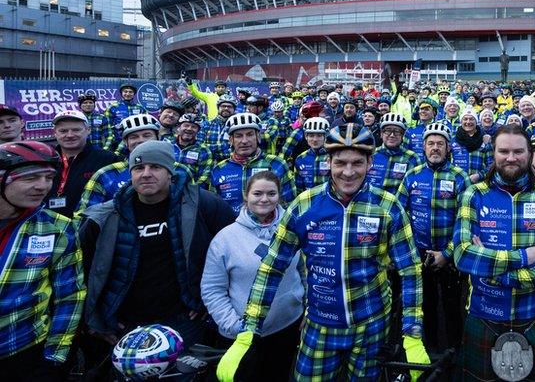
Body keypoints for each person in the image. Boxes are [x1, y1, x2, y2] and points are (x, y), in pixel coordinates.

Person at [216, 124, 430, 381]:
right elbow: (272, 268)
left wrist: (412, 333)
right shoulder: (304, 205)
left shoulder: (388, 206)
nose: (348, 172)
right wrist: (248, 330)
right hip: (320, 324)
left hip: (371, 325)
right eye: (340, 162)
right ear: (328, 162)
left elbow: (409, 270)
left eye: (357, 163)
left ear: (370, 162)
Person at [79, 141, 235, 367]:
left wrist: (207, 302)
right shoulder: (105, 217)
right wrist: (95, 321)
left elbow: (232, 254)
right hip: (125, 324)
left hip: (183, 320)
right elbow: (83, 273)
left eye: (156, 167)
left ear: (170, 172)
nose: (146, 174)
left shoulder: (203, 205)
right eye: (138, 168)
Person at [452, 124, 535, 381]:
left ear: (529, 153)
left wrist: (500, 276)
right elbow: (463, 255)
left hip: (534, 314)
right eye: (504, 151)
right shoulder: (474, 194)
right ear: (493, 153)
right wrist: (524, 257)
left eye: (518, 151)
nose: (511, 158)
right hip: (483, 313)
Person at [201, 171, 303, 382]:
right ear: (246, 195)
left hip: (288, 327)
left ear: (279, 196)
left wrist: (307, 308)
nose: (264, 199)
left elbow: (306, 271)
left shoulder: (294, 230)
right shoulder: (225, 238)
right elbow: (212, 288)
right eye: (257, 193)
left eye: (271, 193)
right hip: (242, 336)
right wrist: (235, 327)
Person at [0, 141, 85, 381]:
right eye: (30, 178)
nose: (43, 186)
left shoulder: (58, 227)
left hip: (23, 351)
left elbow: (70, 295)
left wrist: (54, 358)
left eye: (48, 177)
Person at [395, 121, 469, 353]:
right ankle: (431, 350)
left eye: (440, 144)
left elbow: (465, 221)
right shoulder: (412, 176)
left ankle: (455, 353)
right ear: (424, 147)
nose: (435, 148)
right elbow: (398, 215)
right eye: (430, 144)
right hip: (419, 255)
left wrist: (447, 254)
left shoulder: (460, 177)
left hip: (451, 257)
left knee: (452, 308)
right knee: (425, 306)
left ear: (448, 149)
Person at [78, 113, 178, 212]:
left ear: (158, 138)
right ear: (126, 142)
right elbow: (85, 216)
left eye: (147, 135)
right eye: (133, 137)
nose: (141, 140)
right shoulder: (105, 174)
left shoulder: (180, 170)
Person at [209, 113, 296, 211]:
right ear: (231, 140)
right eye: (238, 136)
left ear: (258, 137)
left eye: (250, 134)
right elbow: (214, 210)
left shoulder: (276, 164)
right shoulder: (219, 169)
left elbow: (290, 207)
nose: (244, 141)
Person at [48, 110, 117, 217]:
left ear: (88, 130)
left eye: (76, 130)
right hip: (48, 225)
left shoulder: (107, 159)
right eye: (63, 131)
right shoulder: (46, 160)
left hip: (89, 226)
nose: (70, 135)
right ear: (55, 133)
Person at [366, 112, 422, 194]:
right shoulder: (370, 154)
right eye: (387, 130)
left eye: (397, 131)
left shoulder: (412, 158)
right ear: (381, 134)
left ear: (403, 135)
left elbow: (416, 190)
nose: (392, 135)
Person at [170, 113, 213, 185]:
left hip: (188, 191)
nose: (189, 129)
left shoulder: (204, 151)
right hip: (164, 188)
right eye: (186, 125)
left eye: (193, 127)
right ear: (179, 127)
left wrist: (191, 190)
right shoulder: (167, 144)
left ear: (198, 131)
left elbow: (204, 177)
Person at [451, 109, 491, 183]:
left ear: (476, 122)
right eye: (465, 119)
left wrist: (479, 175)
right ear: (461, 122)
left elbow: (491, 165)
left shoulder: (485, 140)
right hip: (457, 183)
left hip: (479, 184)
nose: (468, 122)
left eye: (471, 119)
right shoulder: (453, 140)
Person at [104, 83, 146, 151]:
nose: (128, 94)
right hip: (117, 143)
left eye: (130, 92)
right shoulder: (112, 107)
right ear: (121, 93)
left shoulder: (140, 108)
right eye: (125, 91)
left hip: (136, 142)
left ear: (134, 94)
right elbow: (108, 129)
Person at [293, 117, 330, 192]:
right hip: (308, 200)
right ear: (306, 137)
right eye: (311, 135)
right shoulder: (300, 158)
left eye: (319, 135)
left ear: (325, 136)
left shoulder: (333, 156)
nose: (315, 139)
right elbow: (299, 187)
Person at [205, 94, 239, 162]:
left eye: (229, 107)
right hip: (208, 163)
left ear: (234, 109)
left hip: (231, 163)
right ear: (218, 108)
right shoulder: (207, 124)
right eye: (223, 106)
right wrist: (226, 145)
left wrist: (210, 148)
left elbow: (239, 149)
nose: (226, 108)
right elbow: (201, 148)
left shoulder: (238, 126)